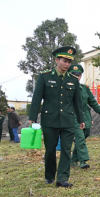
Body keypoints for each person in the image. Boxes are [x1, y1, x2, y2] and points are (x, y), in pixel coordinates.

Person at [28, 46, 85, 188]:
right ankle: (49, 176)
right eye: (64, 61)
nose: (67, 64)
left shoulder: (73, 79)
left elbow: (77, 102)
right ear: (57, 60)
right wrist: (32, 117)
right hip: (50, 120)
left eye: (69, 62)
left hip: (68, 120)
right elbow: (37, 98)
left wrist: (81, 119)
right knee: (51, 149)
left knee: (66, 149)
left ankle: (62, 178)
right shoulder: (45, 76)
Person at [68, 64, 100, 169]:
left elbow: (92, 101)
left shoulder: (84, 89)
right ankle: (83, 161)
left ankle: (73, 160)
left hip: (86, 117)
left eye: (79, 75)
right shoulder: (66, 88)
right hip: (73, 117)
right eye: (73, 74)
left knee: (85, 135)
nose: (77, 77)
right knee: (80, 139)